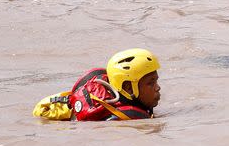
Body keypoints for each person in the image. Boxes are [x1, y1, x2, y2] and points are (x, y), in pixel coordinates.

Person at [33, 48, 161, 121]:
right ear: (128, 87)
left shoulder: (115, 94)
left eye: (156, 80)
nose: (158, 87)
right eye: (151, 83)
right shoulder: (126, 118)